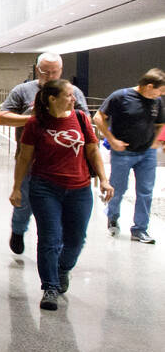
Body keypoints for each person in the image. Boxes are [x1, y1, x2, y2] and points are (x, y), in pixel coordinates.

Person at [12, 79, 111, 311]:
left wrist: (104, 179)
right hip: (45, 188)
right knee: (50, 238)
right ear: (52, 99)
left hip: (79, 188)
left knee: (76, 239)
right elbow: (24, 157)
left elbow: (92, 149)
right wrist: (17, 187)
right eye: (68, 95)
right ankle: (50, 287)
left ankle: (62, 268)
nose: (73, 98)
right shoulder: (36, 123)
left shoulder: (80, 118)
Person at [0, 52, 90, 254]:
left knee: (57, 216)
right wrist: (34, 119)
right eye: (45, 71)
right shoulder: (23, 91)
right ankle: (18, 230)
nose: (49, 75)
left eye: (54, 72)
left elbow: (85, 122)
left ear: (61, 71)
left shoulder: (73, 92)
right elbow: (3, 117)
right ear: (37, 70)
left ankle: (57, 252)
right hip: (31, 162)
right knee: (24, 205)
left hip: (64, 166)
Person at [94, 67, 165, 243]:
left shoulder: (157, 102)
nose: (161, 94)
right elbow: (98, 117)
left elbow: (160, 123)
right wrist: (111, 139)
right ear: (149, 86)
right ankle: (112, 215)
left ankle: (140, 229)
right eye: (160, 90)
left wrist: (156, 140)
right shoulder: (120, 96)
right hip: (123, 152)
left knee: (145, 191)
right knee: (118, 189)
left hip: (147, 153)